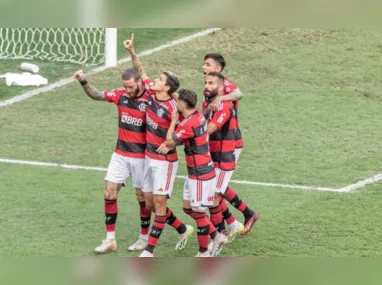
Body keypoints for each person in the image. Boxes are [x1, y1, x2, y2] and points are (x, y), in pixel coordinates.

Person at [123, 34, 194, 257]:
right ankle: (183, 229)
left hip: (165, 162)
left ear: (167, 87)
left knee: (160, 204)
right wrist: (132, 51)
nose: (154, 79)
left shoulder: (174, 107)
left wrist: (170, 142)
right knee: (150, 204)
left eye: (160, 79)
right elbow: (141, 71)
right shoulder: (153, 95)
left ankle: (149, 251)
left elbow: (187, 130)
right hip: (148, 158)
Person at [73, 67, 153, 254]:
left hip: (141, 157)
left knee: (142, 199)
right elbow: (97, 95)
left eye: (131, 86)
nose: (127, 90)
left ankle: (143, 238)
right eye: (125, 86)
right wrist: (83, 80)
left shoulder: (150, 99)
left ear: (140, 82)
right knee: (109, 193)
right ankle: (110, 239)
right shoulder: (120, 95)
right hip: (120, 154)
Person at [157, 89, 228, 257]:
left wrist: (173, 121)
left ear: (182, 104)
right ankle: (217, 236)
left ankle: (203, 252)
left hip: (200, 175)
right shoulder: (196, 114)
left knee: (199, 212)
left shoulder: (189, 124)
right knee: (188, 208)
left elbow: (169, 141)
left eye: (178, 102)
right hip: (196, 172)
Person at [202, 54, 259, 237]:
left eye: (207, 64)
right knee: (217, 186)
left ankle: (221, 233)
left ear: (218, 69)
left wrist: (222, 98)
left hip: (229, 143)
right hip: (216, 142)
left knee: (216, 191)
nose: (203, 66)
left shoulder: (225, 86)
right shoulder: (209, 89)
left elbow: (239, 94)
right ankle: (236, 220)